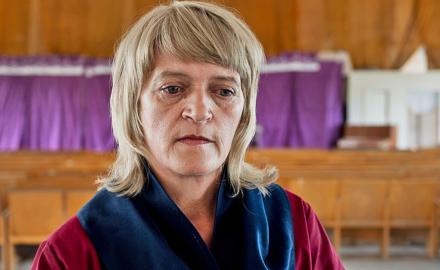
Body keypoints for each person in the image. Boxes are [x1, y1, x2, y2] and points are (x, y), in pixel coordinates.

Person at [31, 1, 344, 269]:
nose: (199, 111)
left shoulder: (292, 223)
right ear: (133, 105)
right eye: (172, 88)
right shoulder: (73, 252)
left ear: (244, 111)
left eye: (223, 90)